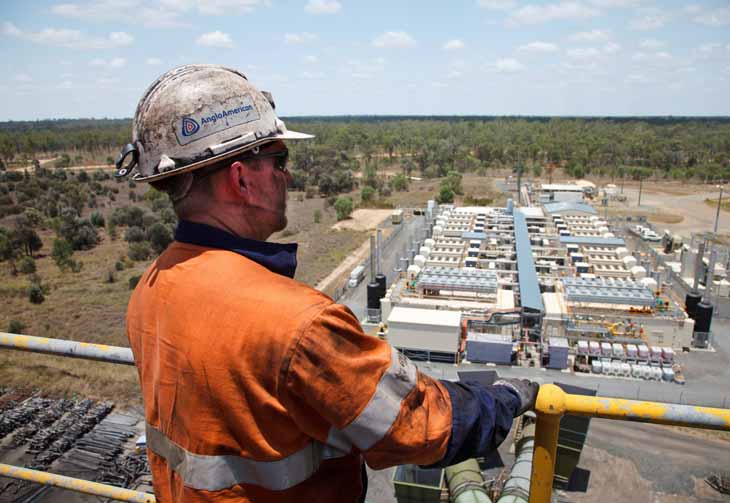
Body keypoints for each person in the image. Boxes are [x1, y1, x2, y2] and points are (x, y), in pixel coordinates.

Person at [120, 64, 539, 503]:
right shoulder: (294, 323)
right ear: (241, 179)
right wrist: (506, 398)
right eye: (279, 160)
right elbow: (419, 427)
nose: (289, 176)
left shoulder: (152, 289)